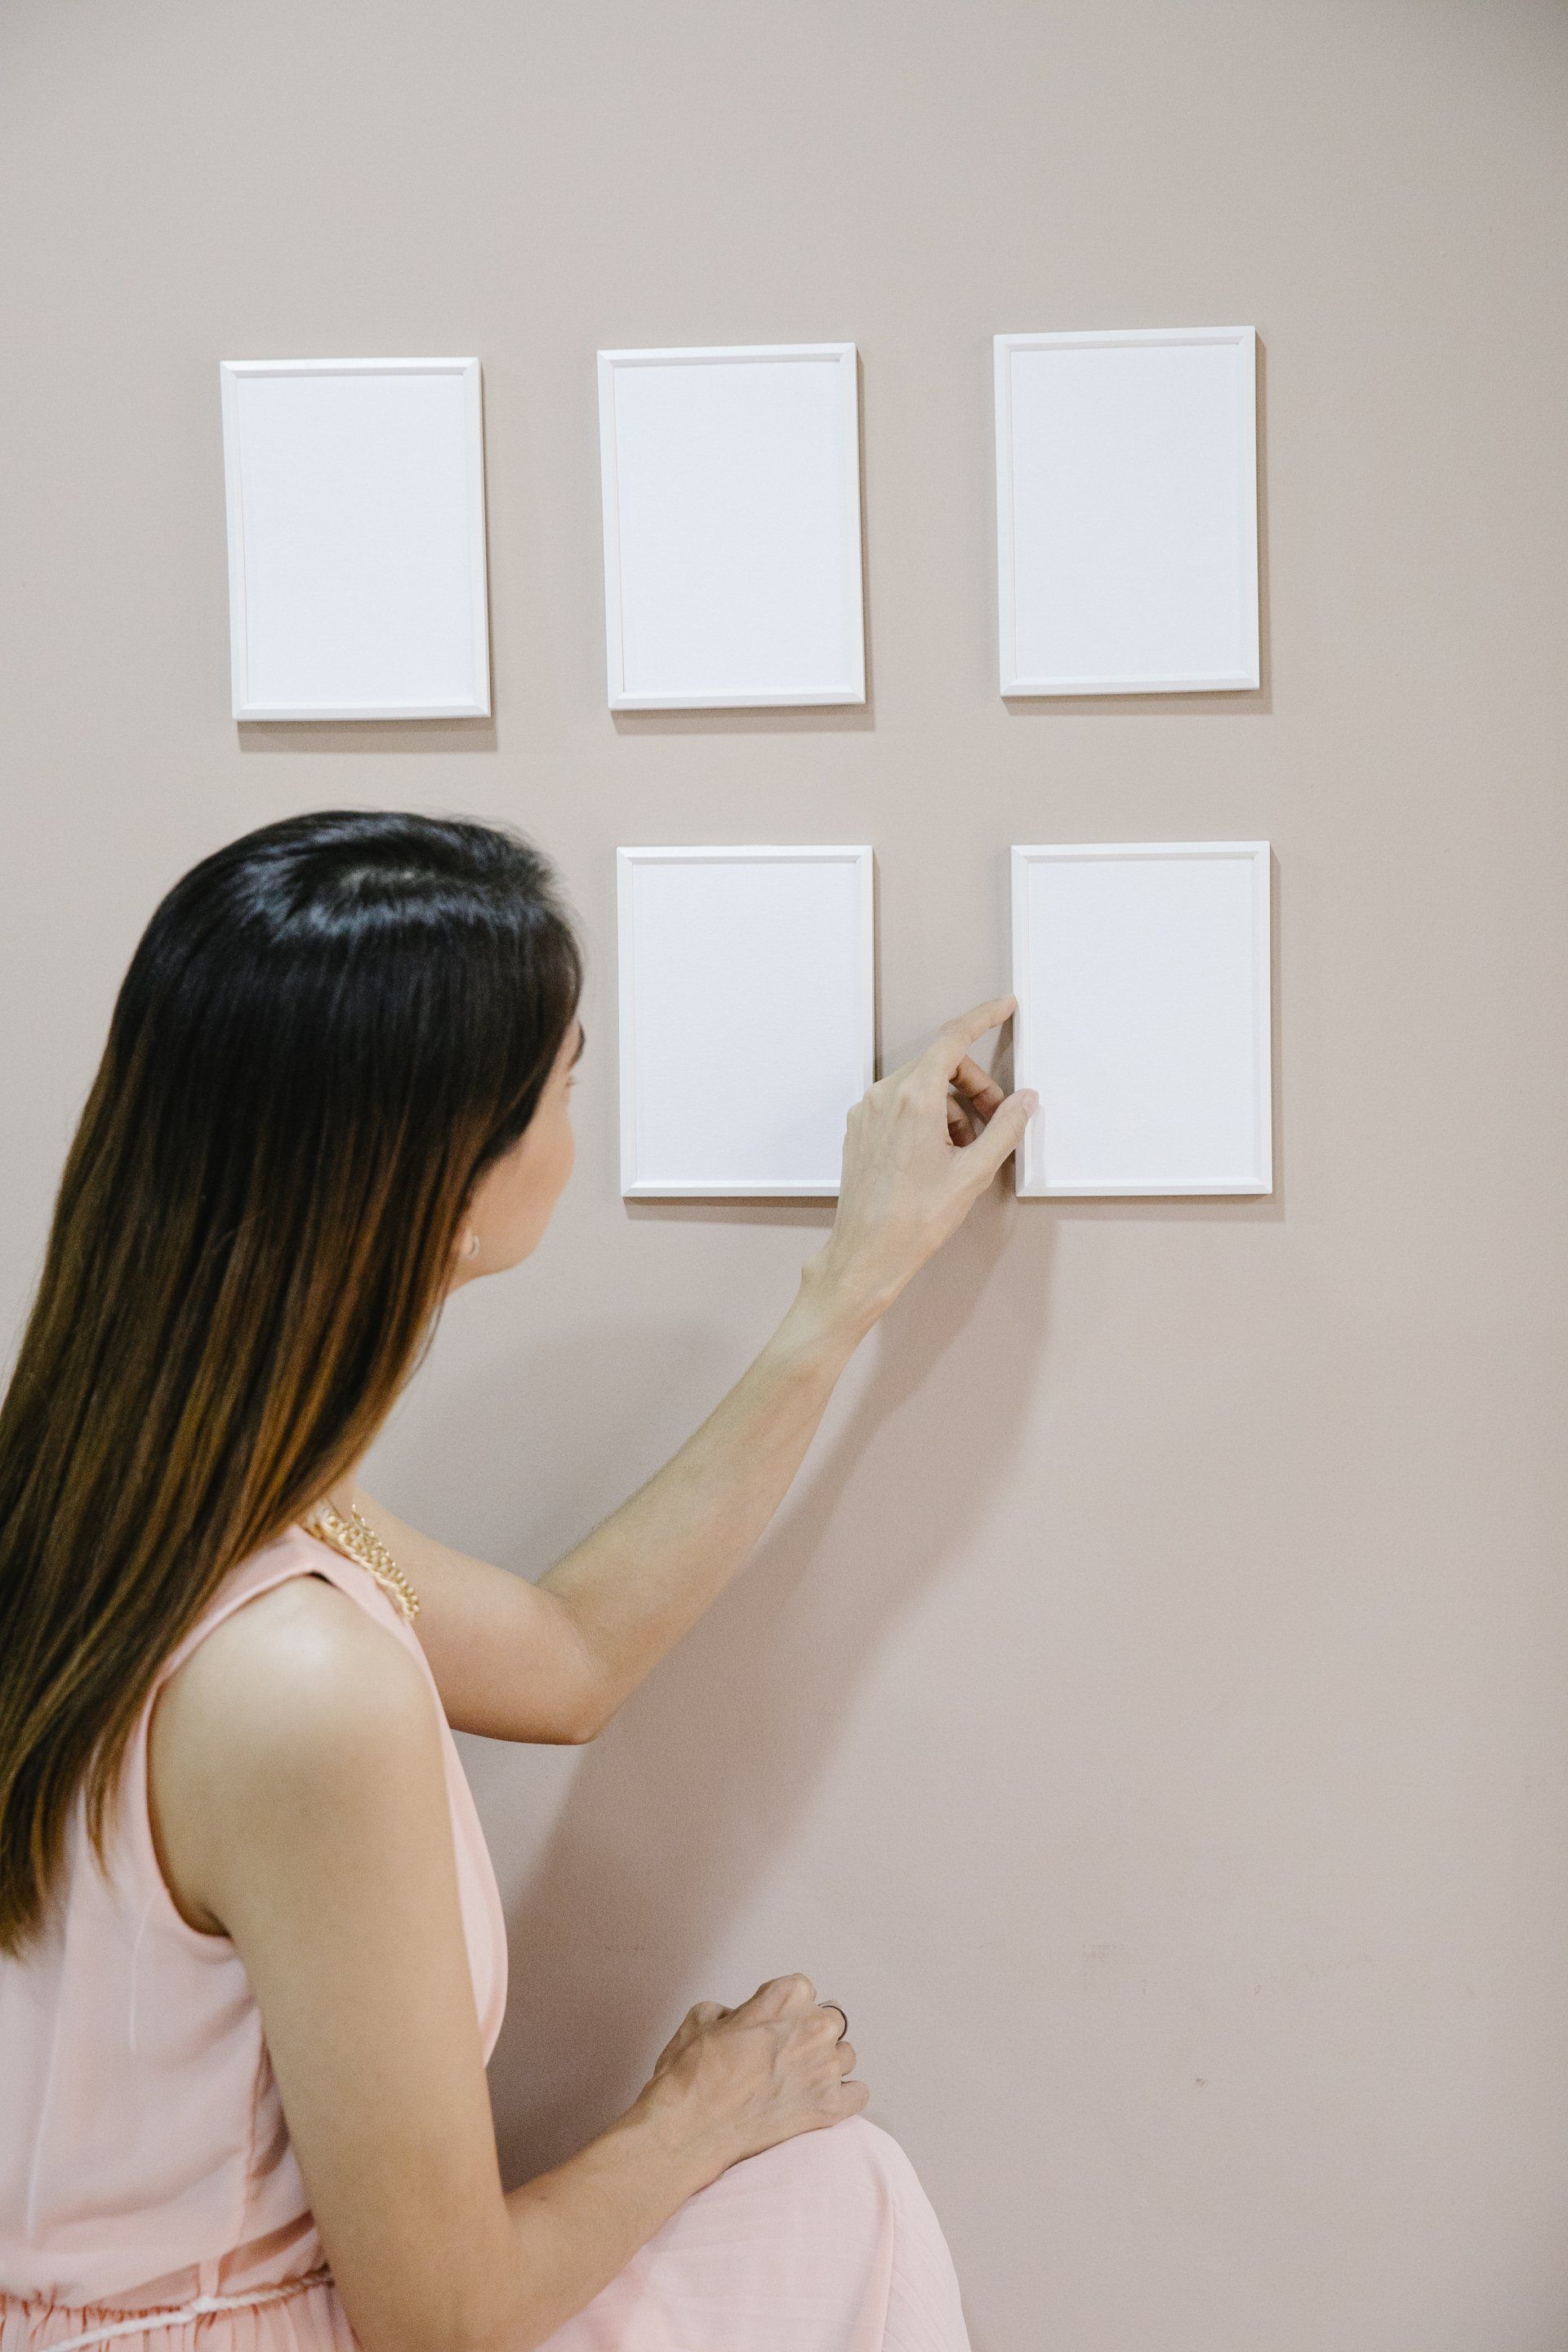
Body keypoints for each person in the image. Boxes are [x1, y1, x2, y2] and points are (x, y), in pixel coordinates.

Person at [0, 810, 1037, 2352]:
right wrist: (698, 2114)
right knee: (847, 2194)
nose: (576, 1111)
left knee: (833, 2198)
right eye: (564, 1079)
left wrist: (850, 1286)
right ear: (452, 1188)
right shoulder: (296, 1681)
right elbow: (445, 2317)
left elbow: (563, 1660)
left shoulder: (118, 1499)